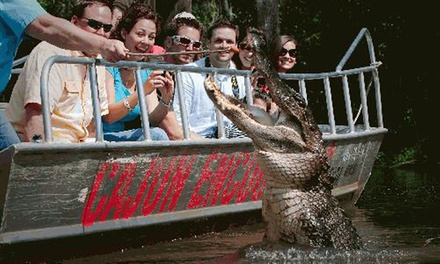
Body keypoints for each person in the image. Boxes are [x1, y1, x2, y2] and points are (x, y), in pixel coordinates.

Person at [0, 0, 128, 150]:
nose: (101, 33)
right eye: (94, 24)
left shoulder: (97, 61)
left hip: (76, 149)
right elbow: (35, 118)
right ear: (74, 21)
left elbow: (93, 125)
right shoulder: (51, 53)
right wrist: (43, 161)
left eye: (107, 28)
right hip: (46, 146)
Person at [102, 3, 172, 141]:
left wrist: (165, 99)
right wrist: (142, 91)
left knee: (157, 133)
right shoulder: (108, 64)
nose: (146, 42)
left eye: (151, 37)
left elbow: (152, 119)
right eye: (140, 34)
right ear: (124, 33)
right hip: (99, 137)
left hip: (121, 137)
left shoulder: (143, 71)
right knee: (157, 135)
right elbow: (109, 117)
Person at [172, 19, 247, 138]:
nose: (224, 46)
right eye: (218, 41)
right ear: (208, 43)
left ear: (236, 46)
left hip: (234, 142)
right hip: (198, 143)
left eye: (229, 41)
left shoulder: (241, 79)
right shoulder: (188, 73)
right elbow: (179, 120)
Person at [158, 12, 205, 140]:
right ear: (168, 42)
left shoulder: (198, 76)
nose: (190, 48)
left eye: (196, 44)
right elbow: (173, 131)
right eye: (184, 41)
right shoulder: (158, 73)